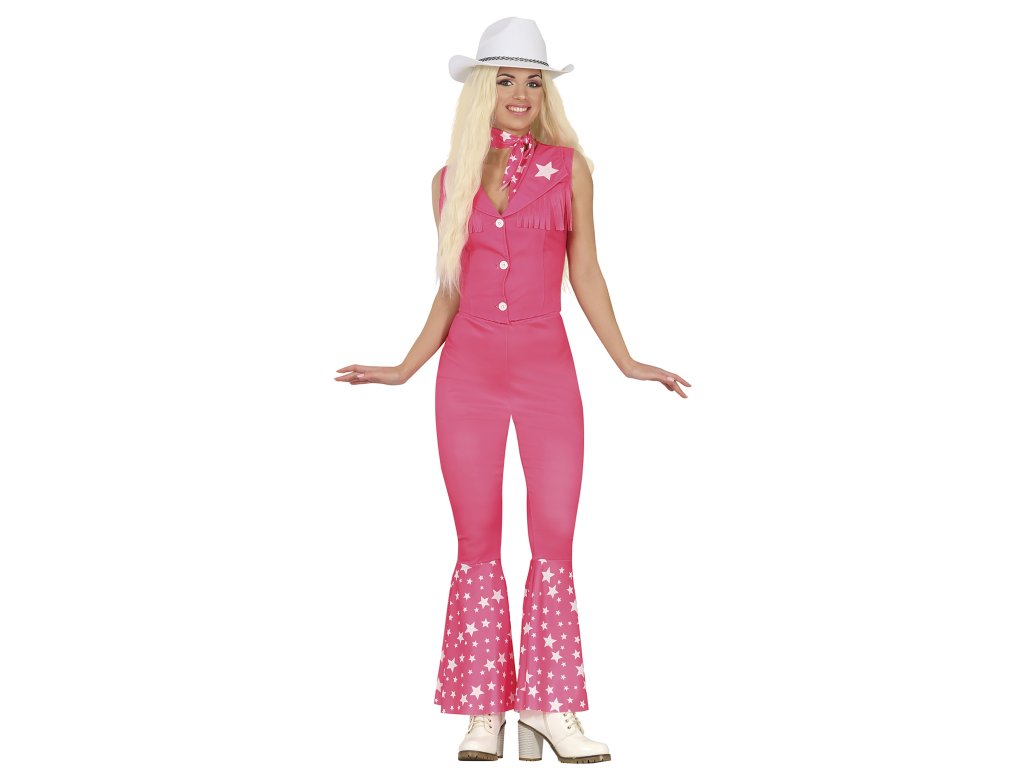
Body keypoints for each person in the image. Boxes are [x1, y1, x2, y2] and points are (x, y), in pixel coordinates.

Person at [336, 16, 690, 763]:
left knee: (554, 537)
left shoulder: (570, 169)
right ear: (481, 89)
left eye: (533, 81)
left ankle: (549, 707)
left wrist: (626, 360)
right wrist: (403, 367)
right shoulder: (448, 181)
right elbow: (449, 289)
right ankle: (483, 711)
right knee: (477, 542)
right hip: (466, 378)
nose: (522, 93)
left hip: (546, 373)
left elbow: (586, 270)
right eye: (506, 79)